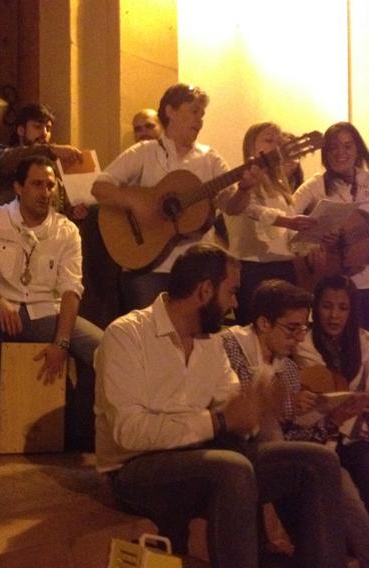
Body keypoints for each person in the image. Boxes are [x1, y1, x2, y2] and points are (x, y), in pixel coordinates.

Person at [95, 243, 346, 568]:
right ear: (204, 291)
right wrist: (218, 422)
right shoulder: (126, 336)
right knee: (233, 468)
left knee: (318, 461)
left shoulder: (210, 343)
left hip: (203, 456)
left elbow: (235, 409)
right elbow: (128, 433)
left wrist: (257, 405)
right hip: (135, 470)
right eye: (231, 293)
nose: (235, 303)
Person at [222, 278, 369, 568]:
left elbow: (296, 433)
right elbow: (243, 404)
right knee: (312, 463)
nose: (301, 337)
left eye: (303, 327)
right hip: (235, 447)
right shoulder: (232, 344)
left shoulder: (288, 366)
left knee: (335, 473)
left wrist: (334, 419)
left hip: (279, 453)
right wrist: (285, 403)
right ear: (264, 323)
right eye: (293, 328)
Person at [0, 155, 102, 454]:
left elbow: (71, 290)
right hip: (0, 311)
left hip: (46, 313)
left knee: (105, 348)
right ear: (19, 187)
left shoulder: (66, 230)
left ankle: (78, 431)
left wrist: (62, 342)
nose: (46, 193)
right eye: (37, 184)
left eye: (51, 185)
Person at [92, 84, 255, 311]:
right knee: (150, 339)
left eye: (202, 114)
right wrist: (134, 201)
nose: (200, 120)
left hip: (196, 272)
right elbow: (100, 186)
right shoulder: (145, 152)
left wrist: (245, 190)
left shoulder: (210, 159)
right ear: (170, 111)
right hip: (147, 267)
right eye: (194, 111)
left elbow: (232, 206)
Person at [290, 275, 369, 567]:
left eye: (342, 308)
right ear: (315, 307)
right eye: (327, 306)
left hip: (354, 436)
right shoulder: (302, 343)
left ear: (352, 310)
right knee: (348, 488)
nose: (334, 315)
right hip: (316, 436)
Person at [292, 122, 369, 383]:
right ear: (325, 152)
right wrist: (311, 246)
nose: (341, 152)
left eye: (348, 146)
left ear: (358, 148)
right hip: (337, 287)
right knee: (343, 358)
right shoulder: (314, 187)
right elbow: (286, 226)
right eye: (334, 147)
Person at [222, 122, 315, 323]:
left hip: (283, 268)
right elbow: (252, 210)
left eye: (279, 142)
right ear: (251, 146)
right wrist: (287, 221)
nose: (276, 146)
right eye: (269, 140)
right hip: (253, 269)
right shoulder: (239, 179)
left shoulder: (281, 185)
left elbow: (288, 236)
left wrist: (312, 236)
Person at [0, 102, 82, 209]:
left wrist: (74, 211)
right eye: (38, 127)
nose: (44, 133)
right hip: (6, 223)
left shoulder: (50, 166)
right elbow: (2, 161)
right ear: (21, 130)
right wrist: (50, 150)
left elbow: (61, 204)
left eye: (48, 129)